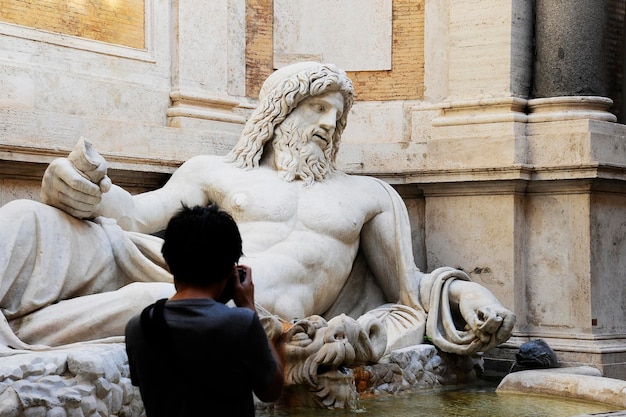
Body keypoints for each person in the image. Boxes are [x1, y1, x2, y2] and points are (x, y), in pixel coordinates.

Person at [0, 61, 514, 354]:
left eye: (337, 116)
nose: (329, 125)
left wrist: (465, 290)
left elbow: (410, 288)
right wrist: (79, 188)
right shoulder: (215, 171)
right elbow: (134, 217)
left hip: (244, 313)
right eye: (317, 108)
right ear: (280, 112)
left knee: (149, 308)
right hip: (163, 265)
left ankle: (18, 339)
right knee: (27, 218)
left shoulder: (368, 195)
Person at [125, 204, 283, 417]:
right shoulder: (242, 323)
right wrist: (249, 307)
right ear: (231, 269)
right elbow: (272, 390)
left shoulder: (139, 326)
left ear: (169, 263)